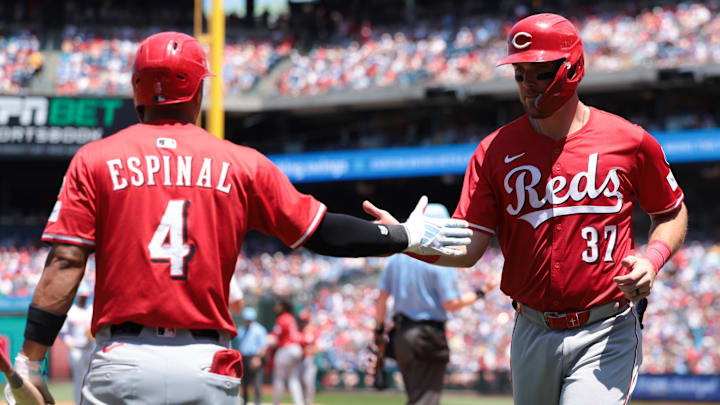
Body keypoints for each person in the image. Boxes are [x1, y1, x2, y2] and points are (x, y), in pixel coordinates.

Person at [4, 31, 471, 405]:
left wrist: (30, 358)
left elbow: (66, 262)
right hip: (207, 365)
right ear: (199, 89)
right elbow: (322, 232)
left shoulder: (95, 159)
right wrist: (402, 234)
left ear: (137, 89)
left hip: (122, 362)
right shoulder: (240, 162)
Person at [364, 13, 688, 405]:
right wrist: (406, 238)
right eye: (520, 74)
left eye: (540, 72)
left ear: (573, 68)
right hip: (531, 328)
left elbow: (671, 211)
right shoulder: (494, 150)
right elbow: (468, 247)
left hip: (607, 327)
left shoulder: (629, 141)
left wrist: (652, 260)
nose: (528, 86)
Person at [373, 203, 498, 405]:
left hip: (401, 335)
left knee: (415, 396)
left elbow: (381, 299)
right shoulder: (440, 258)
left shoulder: (397, 258)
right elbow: (451, 304)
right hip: (427, 335)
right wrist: (482, 291)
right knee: (426, 400)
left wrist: (378, 331)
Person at [59, 282, 95, 405]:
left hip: (91, 347)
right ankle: (78, 403)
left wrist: (92, 334)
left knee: (92, 379)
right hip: (76, 348)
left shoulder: (91, 309)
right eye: (82, 296)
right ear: (77, 296)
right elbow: (63, 332)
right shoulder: (71, 311)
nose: (84, 298)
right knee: (79, 380)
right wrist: (69, 342)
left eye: (85, 296)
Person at [268, 300, 304, 405]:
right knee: (293, 378)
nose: (276, 307)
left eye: (278, 305)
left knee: (279, 378)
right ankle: (299, 402)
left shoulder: (282, 318)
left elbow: (275, 337)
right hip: (297, 349)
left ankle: (276, 402)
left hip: (286, 349)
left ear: (283, 307)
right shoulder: (291, 318)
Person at [236, 307, 268, 405]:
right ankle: (245, 402)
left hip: (255, 357)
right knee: (244, 384)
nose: (248, 321)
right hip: (243, 358)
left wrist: (258, 358)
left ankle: (257, 402)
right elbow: (239, 345)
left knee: (257, 384)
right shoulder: (241, 330)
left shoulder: (259, 330)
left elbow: (263, 346)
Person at [297, 309, 319, 405]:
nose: (303, 322)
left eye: (305, 320)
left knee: (308, 381)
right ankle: (301, 401)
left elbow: (317, 348)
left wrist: (309, 349)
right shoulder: (297, 331)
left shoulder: (313, 331)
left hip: (309, 360)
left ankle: (308, 401)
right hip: (298, 360)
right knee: (299, 382)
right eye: (302, 320)